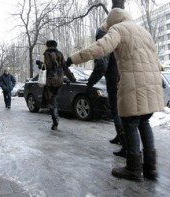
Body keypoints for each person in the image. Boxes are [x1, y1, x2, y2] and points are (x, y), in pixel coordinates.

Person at [66, 8, 164, 182]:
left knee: (130, 122)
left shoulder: (118, 29)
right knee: (144, 121)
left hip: (134, 83)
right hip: (152, 83)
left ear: (114, 22)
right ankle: (151, 169)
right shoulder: (144, 32)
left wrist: (72, 59)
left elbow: (100, 48)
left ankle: (133, 168)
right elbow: (157, 61)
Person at [86, 28, 126, 158]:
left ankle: (124, 143)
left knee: (116, 112)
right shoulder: (115, 40)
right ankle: (119, 136)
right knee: (119, 112)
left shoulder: (105, 44)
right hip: (120, 79)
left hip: (114, 81)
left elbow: (102, 65)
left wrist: (90, 82)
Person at [42, 40, 76, 130]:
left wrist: (40, 64)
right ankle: (55, 119)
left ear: (48, 46)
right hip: (60, 81)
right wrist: (72, 78)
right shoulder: (60, 54)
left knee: (51, 101)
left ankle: (55, 121)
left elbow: (47, 66)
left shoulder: (47, 54)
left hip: (51, 81)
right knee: (54, 99)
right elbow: (65, 67)